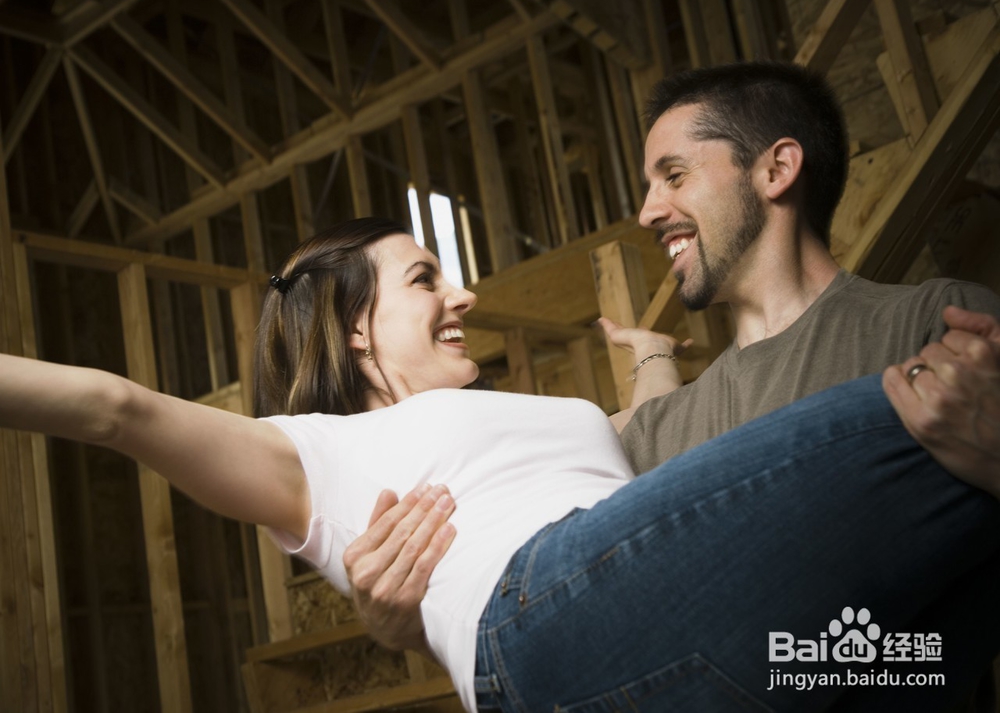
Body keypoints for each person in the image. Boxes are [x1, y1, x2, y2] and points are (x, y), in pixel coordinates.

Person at [2, 217, 999, 712]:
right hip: (547, 619)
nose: (464, 296)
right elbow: (116, 406)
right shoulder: (316, 453)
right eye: (425, 278)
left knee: (948, 592)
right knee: (934, 400)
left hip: (656, 616)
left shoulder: (530, 414)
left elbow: (656, 470)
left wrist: (649, 352)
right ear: (355, 329)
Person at [340, 62, 1000, 708]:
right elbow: (557, 616)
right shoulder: (654, 430)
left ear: (776, 169)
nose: (648, 211)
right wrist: (411, 620)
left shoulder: (934, 325)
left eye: (674, 176)